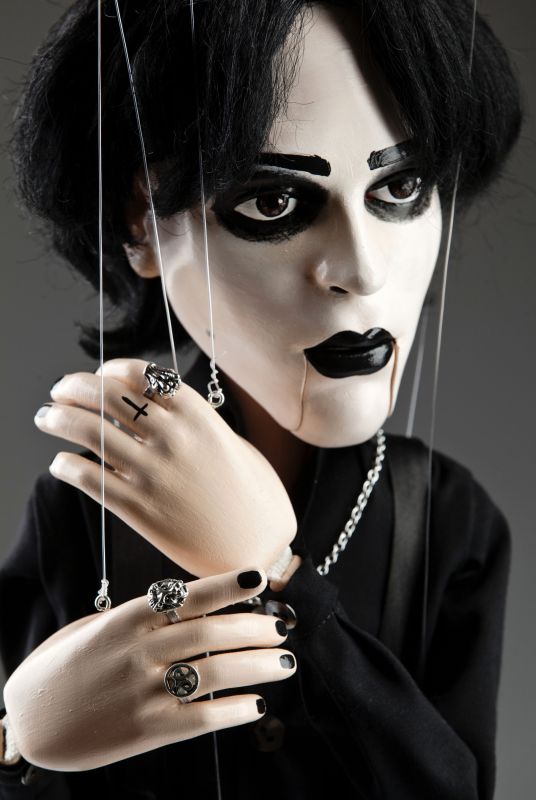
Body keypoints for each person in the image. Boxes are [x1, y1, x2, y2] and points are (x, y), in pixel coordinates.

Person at [0, 1, 521, 797]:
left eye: (401, 186)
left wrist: (281, 575)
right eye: (273, 202)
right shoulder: (85, 506)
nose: (364, 270)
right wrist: (18, 742)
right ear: (143, 223)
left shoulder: (444, 518)